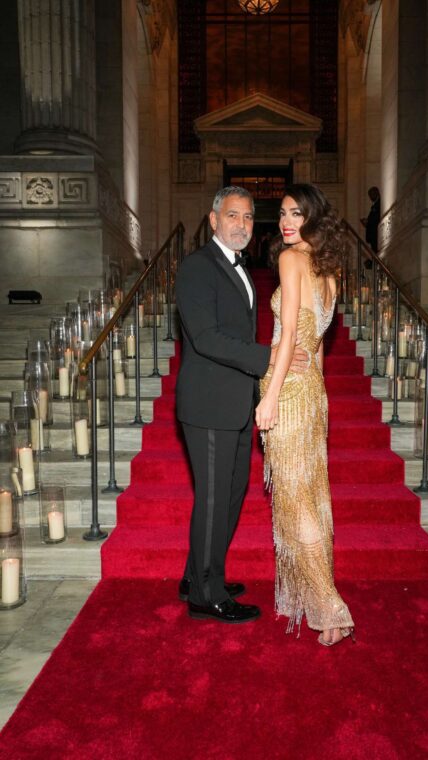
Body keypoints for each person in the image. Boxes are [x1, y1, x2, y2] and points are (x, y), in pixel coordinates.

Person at [175, 186, 308, 624]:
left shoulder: (241, 267)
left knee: (230, 496)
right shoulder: (197, 267)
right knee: (214, 500)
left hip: (234, 402)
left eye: (249, 218)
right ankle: (205, 595)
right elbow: (206, 337)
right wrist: (272, 356)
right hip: (207, 404)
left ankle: (199, 574)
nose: (242, 224)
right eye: (233, 215)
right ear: (213, 220)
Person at [256, 183, 355, 647]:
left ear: (315, 217)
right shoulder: (331, 271)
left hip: (290, 391)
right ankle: (307, 598)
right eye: (281, 213)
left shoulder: (290, 260)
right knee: (312, 497)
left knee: (295, 502)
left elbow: (293, 331)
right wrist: (304, 382)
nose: (286, 222)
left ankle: (330, 607)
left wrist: (271, 395)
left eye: (296, 213)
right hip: (314, 392)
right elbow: (313, 346)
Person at [360, 186, 381, 254]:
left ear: (377, 193)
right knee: (374, 252)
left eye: (372, 194)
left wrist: (368, 222)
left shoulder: (379, 204)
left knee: (375, 252)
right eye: (370, 195)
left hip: (375, 233)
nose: (370, 197)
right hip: (373, 234)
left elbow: (376, 218)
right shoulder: (375, 205)